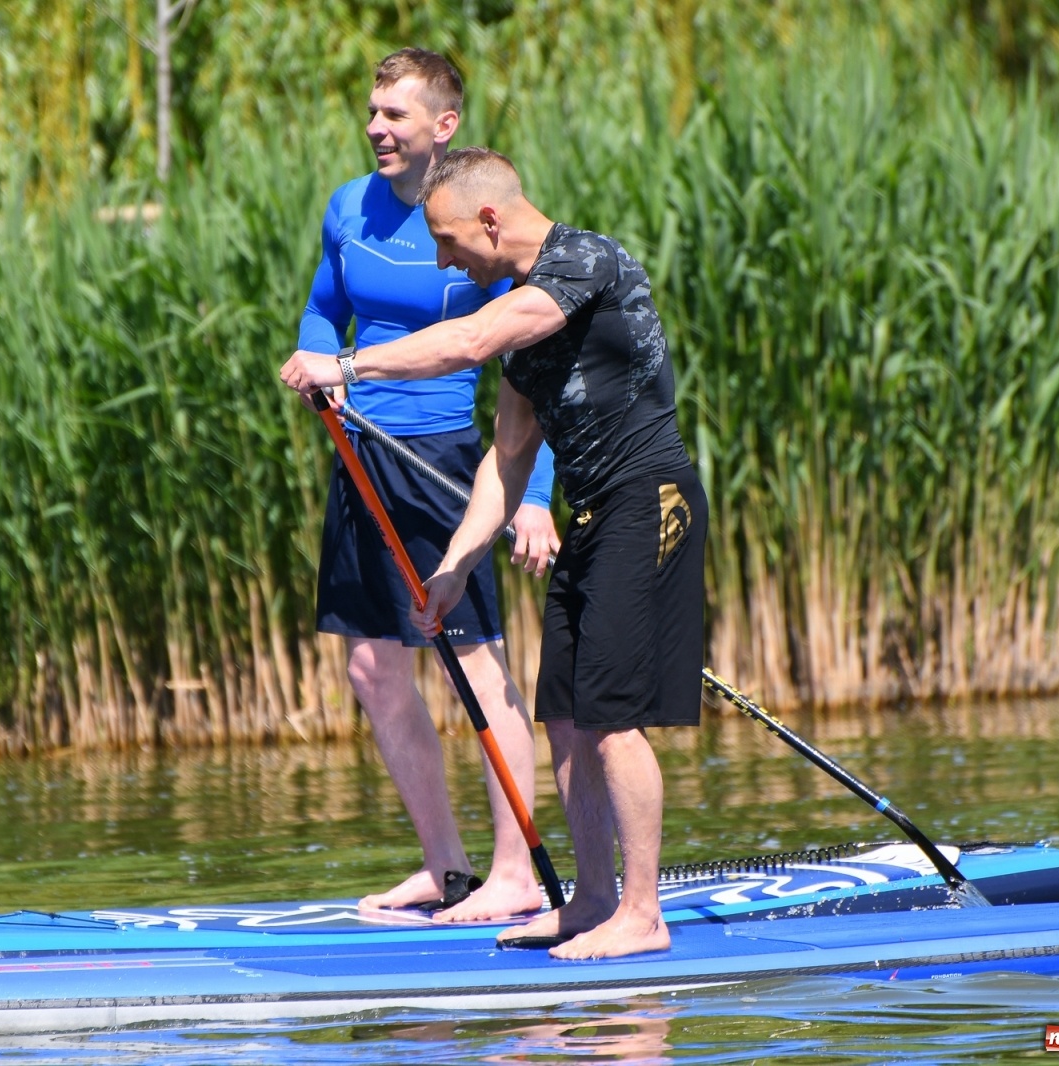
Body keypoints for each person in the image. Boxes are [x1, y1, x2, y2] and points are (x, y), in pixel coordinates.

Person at [280, 146, 708, 960]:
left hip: (651, 501)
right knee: (568, 720)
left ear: (488, 220)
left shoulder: (581, 262)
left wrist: (345, 364)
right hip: (592, 513)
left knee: (615, 722)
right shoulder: (519, 318)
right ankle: (589, 902)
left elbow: (469, 341)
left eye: (446, 241)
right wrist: (455, 567)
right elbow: (509, 459)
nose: (442, 258)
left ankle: (643, 915)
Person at [293, 49, 561, 921]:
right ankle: (447, 869)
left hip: (448, 461)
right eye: (372, 112)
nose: (375, 127)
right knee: (373, 668)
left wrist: (532, 494)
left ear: (442, 125)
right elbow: (323, 309)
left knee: (477, 671)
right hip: (362, 454)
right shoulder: (347, 207)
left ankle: (516, 874)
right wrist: (319, 360)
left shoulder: (478, 217)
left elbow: (539, 363)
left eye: (394, 115)